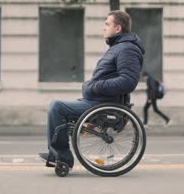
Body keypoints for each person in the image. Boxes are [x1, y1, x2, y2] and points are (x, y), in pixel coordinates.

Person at [38, 10, 145, 168]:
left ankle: (61, 157)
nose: (104, 27)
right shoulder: (118, 47)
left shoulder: (127, 49)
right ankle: (60, 155)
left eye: (107, 24)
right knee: (58, 109)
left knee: (57, 107)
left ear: (118, 29)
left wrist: (96, 86)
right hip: (97, 100)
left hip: (102, 104)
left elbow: (128, 81)